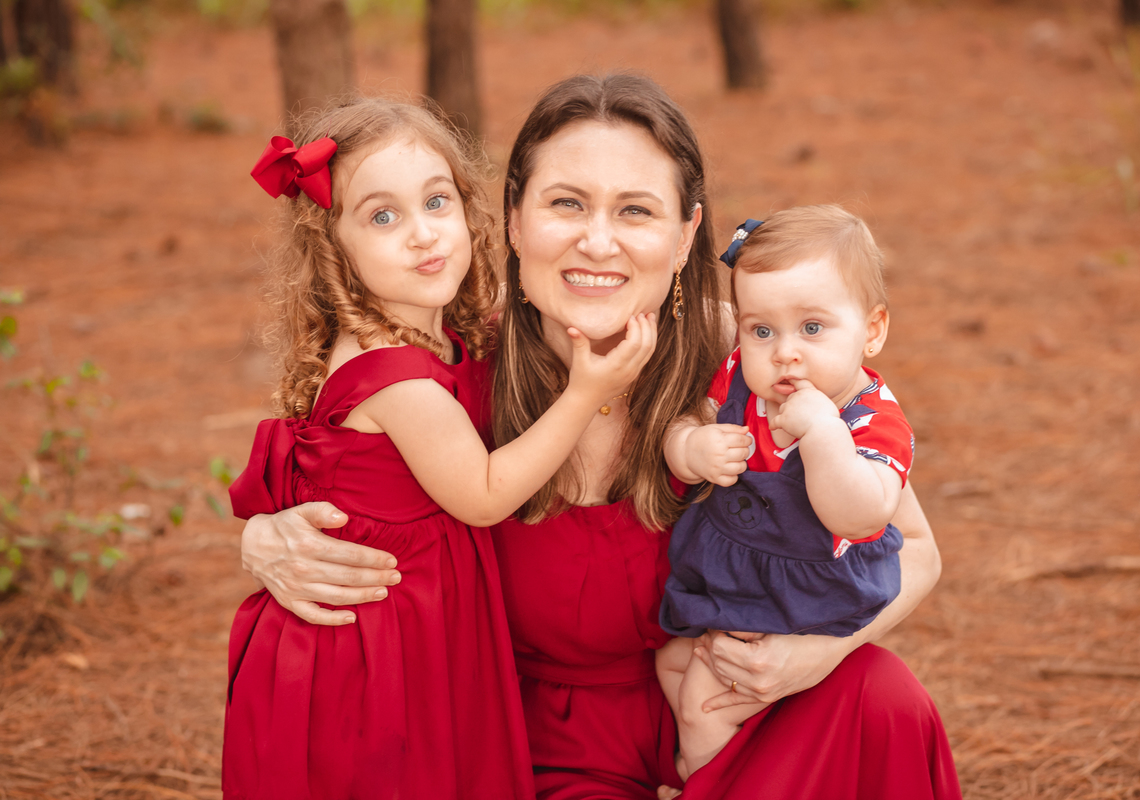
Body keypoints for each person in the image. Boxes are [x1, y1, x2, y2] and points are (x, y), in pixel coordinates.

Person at [237, 75, 962, 800]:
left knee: (881, 699)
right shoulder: (451, 366)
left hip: (724, 699)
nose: (598, 240)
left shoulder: (746, 351)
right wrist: (265, 539)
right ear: (515, 219)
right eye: (567, 204)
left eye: (636, 210)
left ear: (684, 237)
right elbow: (342, 468)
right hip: (540, 746)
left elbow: (917, 552)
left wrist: (814, 655)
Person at [222, 96, 657, 800]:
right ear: (336, 247)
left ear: (469, 211)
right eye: (383, 216)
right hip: (372, 646)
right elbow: (482, 496)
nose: (423, 235)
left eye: (437, 201)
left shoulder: (433, 334)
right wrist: (585, 392)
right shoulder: (394, 377)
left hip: (404, 621)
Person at [657, 206, 915, 780]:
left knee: (702, 706)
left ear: (872, 330)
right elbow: (685, 418)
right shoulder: (740, 382)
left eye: (813, 328)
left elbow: (860, 515)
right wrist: (690, 446)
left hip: (806, 596)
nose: (784, 352)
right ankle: (758, 763)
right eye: (762, 330)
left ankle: (713, 783)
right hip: (735, 578)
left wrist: (824, 434)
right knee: (671, 662)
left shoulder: (871, 423)